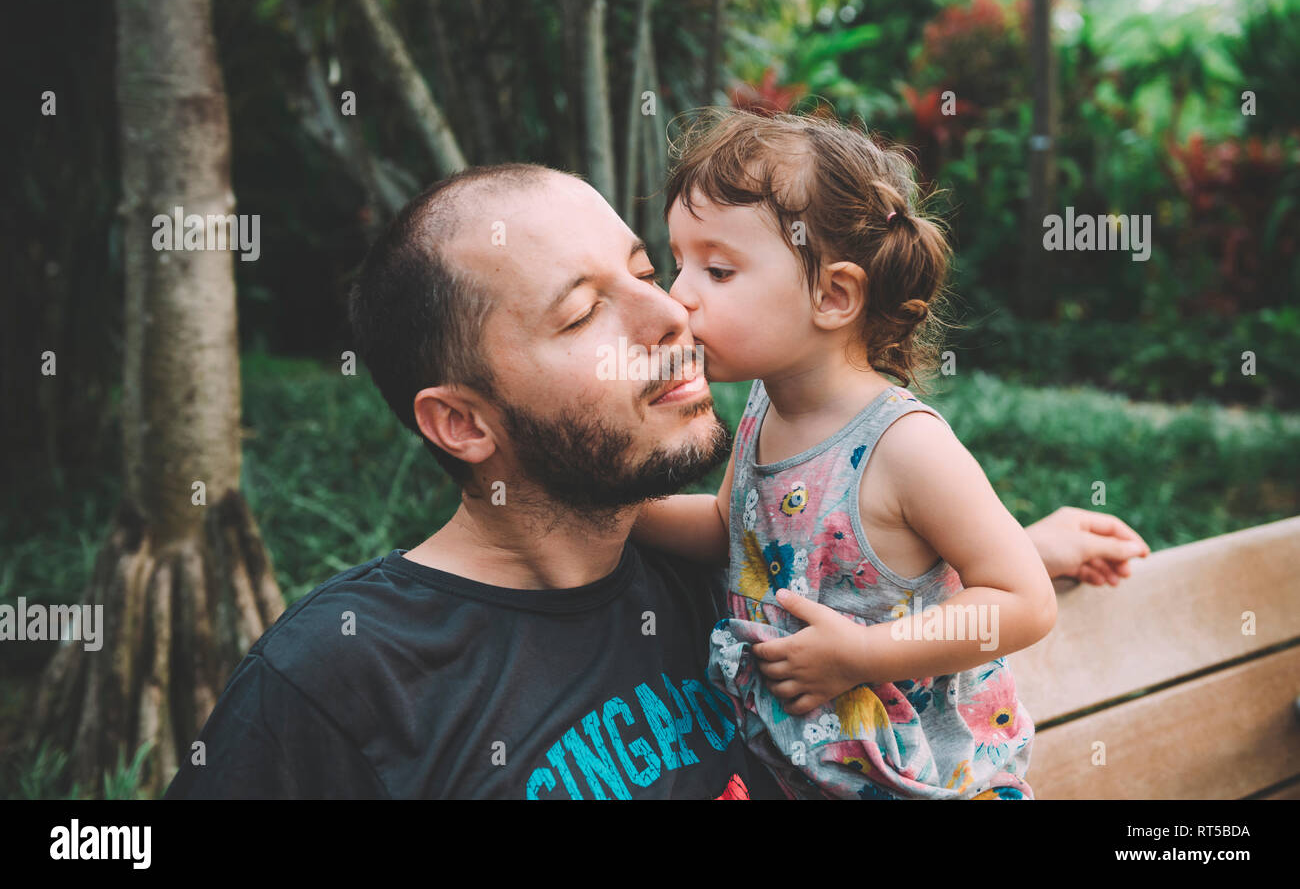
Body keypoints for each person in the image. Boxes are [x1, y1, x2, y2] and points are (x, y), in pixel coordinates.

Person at [164, 161, 1148, 799]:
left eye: (648, 270)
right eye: (585, 311)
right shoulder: (342, 680)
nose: (671, 316)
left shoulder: (712, 582)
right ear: (462, 422)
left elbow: (832, 538)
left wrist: (1018, 549)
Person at [631, 109, 1147, 799]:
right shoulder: (763, 408)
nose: (678, 295)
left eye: (718, 270)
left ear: (834, 294)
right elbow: (731, 528)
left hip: (939, 783)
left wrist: (862, 655)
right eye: (679, 262)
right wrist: (613, 508)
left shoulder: (905, 445)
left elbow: (1022, 601)